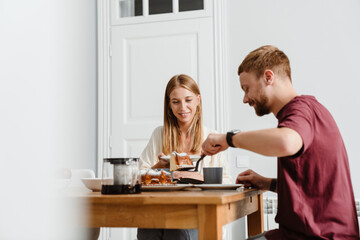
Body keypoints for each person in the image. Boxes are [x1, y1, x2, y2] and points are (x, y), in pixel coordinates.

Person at [202, 45, 360, 239]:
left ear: (268, 77)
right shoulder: (311, 109)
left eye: (246, 88)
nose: (245, 99)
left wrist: (228, 139)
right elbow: (312, 187)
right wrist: (267, 183)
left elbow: (286, 142)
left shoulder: (299, 111)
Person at [138, 74, 231, 240]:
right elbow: (138, 176)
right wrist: (158, 167)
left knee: (178, 231)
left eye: (188, 100)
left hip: (198, 213)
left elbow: (226, 182)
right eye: (176, 102)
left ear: (198, 100)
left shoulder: (212, 137)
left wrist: (196, 176)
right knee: (147, 228)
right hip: (159, 210)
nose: (183, 107)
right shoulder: (159, 134)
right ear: (169, 105)